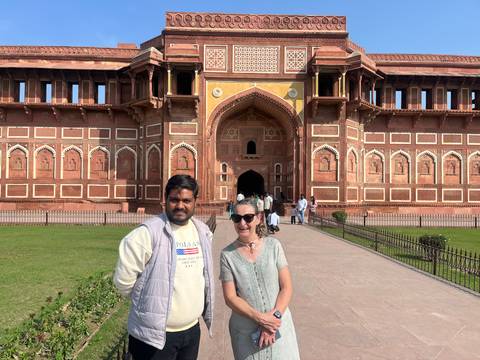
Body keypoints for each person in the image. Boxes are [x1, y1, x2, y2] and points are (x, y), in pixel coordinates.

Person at [114, 174, 214, 360]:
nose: (180, 206)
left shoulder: (203, 232)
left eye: (186, 200)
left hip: (191, 331)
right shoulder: (146, 234)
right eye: (174, 200)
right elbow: (123, 282)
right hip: (153, 337)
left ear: (195, 202)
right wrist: (147, 303)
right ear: (165, 199)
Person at [220, 198, 300, 360]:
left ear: (259, 218)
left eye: (248, 217)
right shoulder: (227, 255)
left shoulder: (273, 246)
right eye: (236, 218)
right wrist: (262, 319)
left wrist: (274, 320)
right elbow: (230, 297)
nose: (242, 223)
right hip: (246, 331)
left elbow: (286, 287)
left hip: (279, 327)